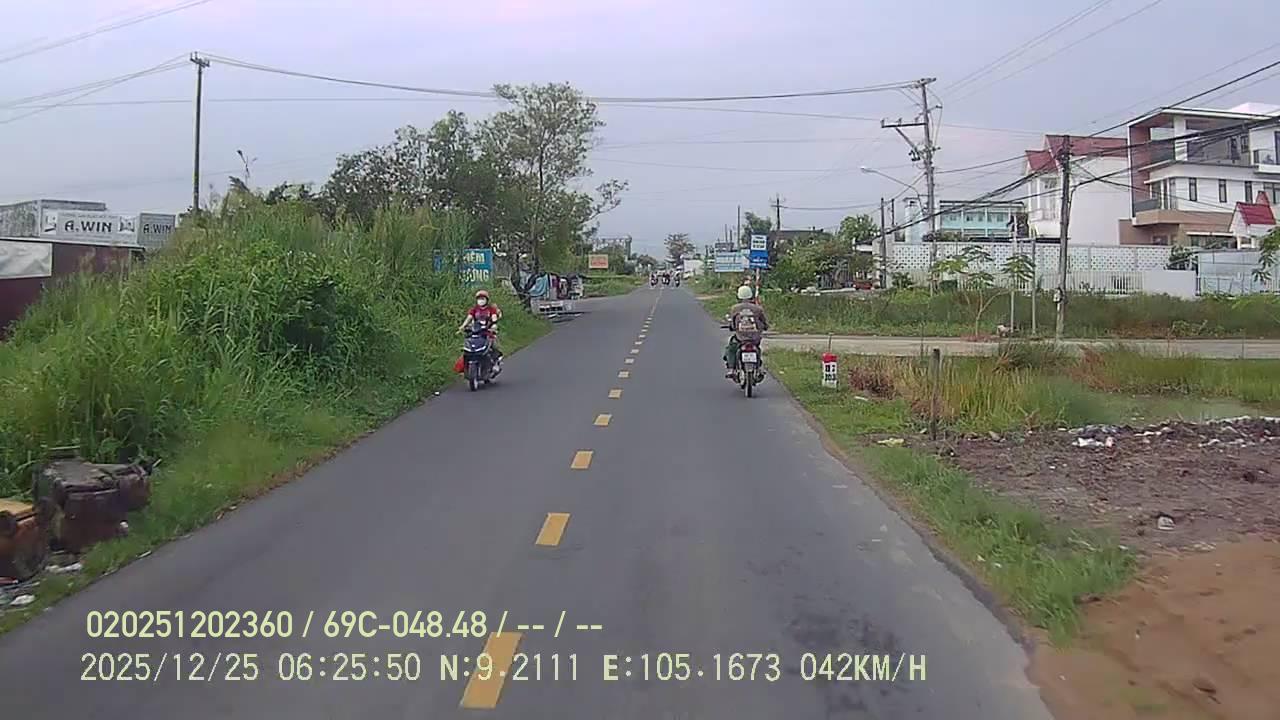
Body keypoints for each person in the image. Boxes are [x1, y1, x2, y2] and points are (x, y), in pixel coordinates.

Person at [724, 284, 768, 377]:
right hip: (754, 338)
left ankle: (731, 369)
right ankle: (759, 367)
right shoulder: (757, 308)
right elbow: (763, 321)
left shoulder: (735, 308)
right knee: (758, 348)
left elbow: (733, 323)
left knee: (731, 348)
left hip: (740, 337)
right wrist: (765, 327)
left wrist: (732, 327)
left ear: (739, 295)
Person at [459, 289, 503, 362]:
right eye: (479, 299)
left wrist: (493, 325)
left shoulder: (491, 309)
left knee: (493, 343)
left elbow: (494, 317)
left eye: (482, 299)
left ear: (486, 300)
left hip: (487, 330)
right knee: (468, 345)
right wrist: (462, 326)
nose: (481, 301)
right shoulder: (474, 309)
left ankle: (496, 358)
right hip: (476, 330)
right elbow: (469, 318)